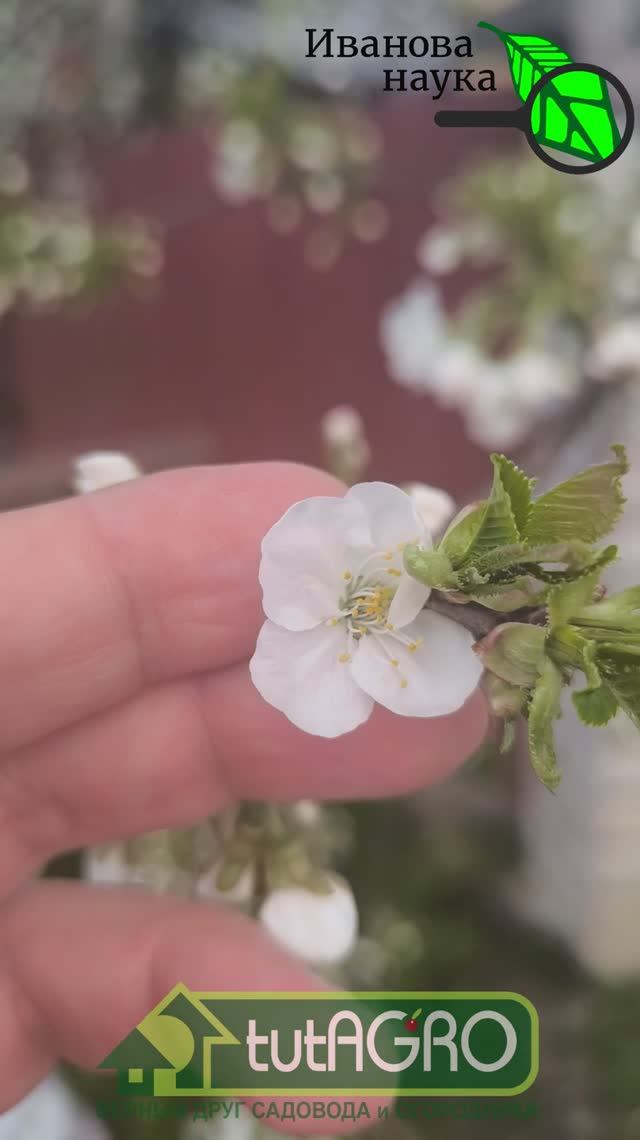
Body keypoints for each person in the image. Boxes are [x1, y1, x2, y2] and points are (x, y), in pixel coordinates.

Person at [0, 462, 486, 1111]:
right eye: (365, 598)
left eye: (376, 602)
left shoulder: (401, 634)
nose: (368, 606)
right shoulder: (314, 588)